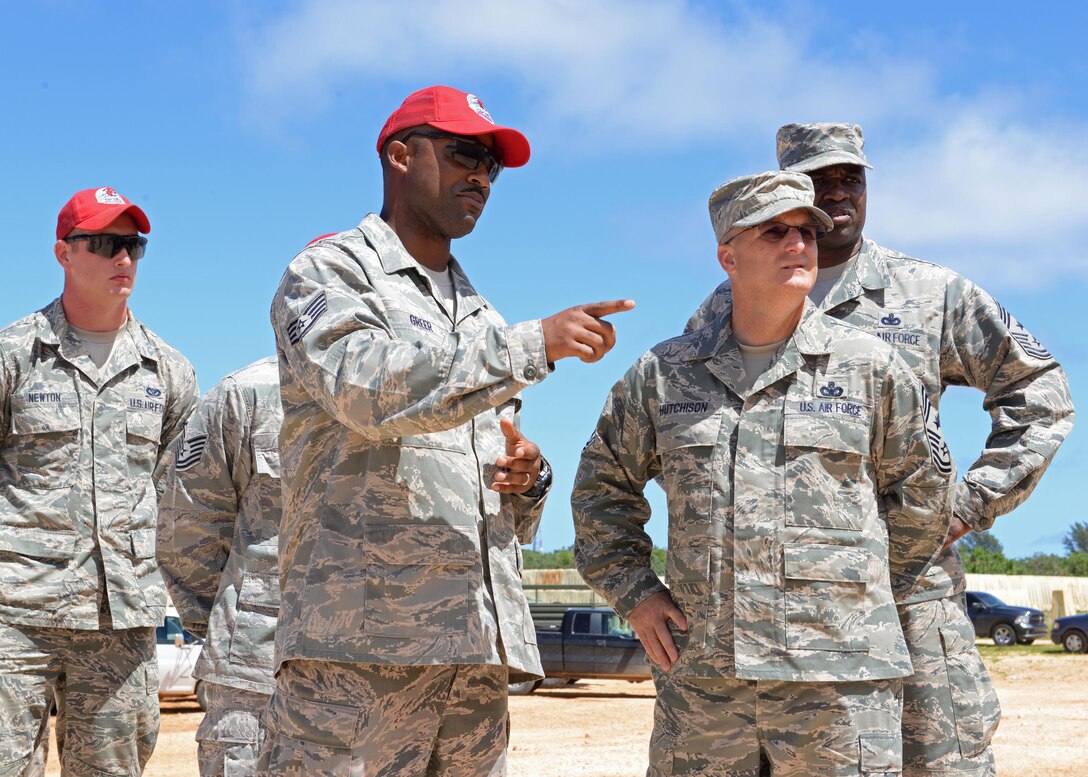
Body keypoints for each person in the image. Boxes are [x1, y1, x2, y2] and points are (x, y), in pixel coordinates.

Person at [259, 85, 634, 775]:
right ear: (400, 155)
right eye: (465, 154)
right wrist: (534, 345)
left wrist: (527, 479)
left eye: (492, 166)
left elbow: (506, 517)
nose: (481, 177)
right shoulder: (329, 271)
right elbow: (369, 390)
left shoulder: (481, 315)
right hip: (360, 653)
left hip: (473, 657)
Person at [686, 123, 1075, 776]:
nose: (839, 193)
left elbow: (1040, 390)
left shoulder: (930, 293)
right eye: (821, 180)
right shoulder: (727, 307)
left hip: (908, 601)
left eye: (852, 178)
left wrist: (971, 501)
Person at [573, 171, 955, 776]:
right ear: (728, 255)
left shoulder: (871, 369)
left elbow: (924, 497)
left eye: (806, 232)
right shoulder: (664, 374)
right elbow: (600, 493)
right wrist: (637, 595)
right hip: (704, 686)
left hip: (837, 685)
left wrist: (852, 601)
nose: (799, 245)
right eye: (775, 231)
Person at [0, 187, 198, 774]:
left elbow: (175, 495)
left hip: (122, 619)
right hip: (16, 614)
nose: (124, 259)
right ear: (64, 253)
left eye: (134, 245)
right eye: (106, 243)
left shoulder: (169, 371)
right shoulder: (14, 356)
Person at [157, 357, 282, 777]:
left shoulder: (453, 395)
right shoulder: (246, 396)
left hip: (423, 683)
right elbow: (186, 535)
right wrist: (239, 623)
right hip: (260, 678)